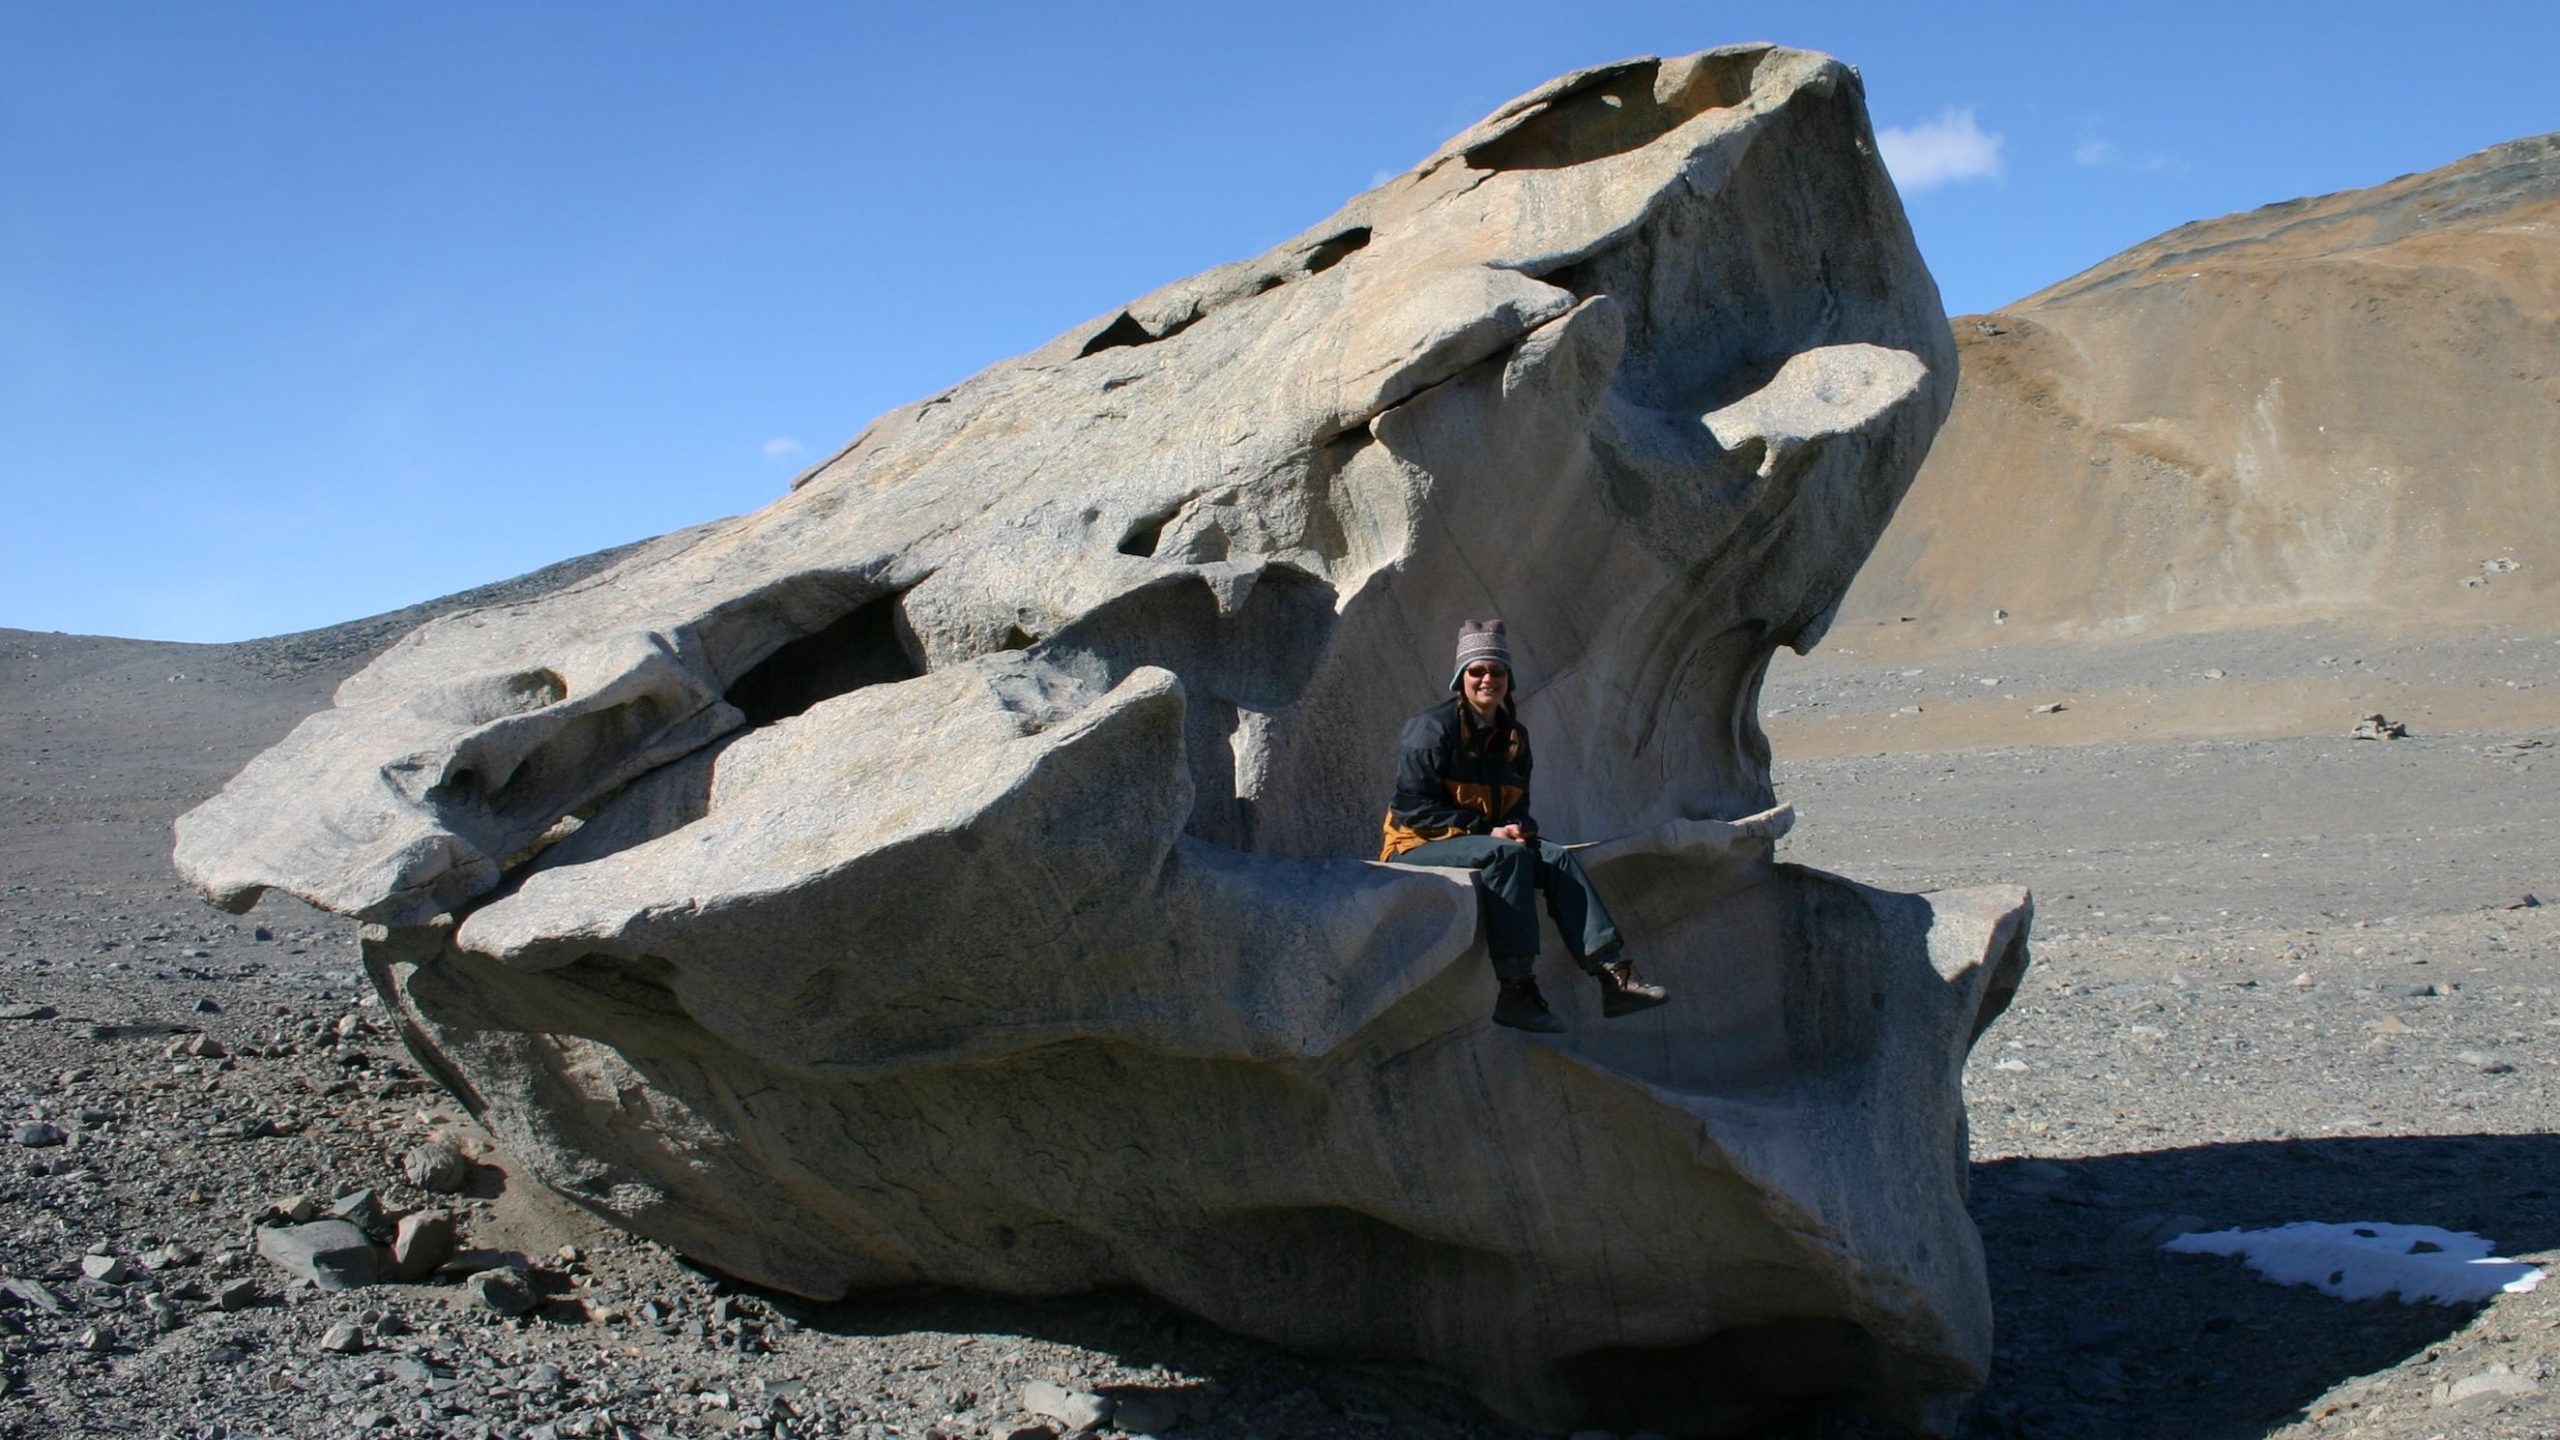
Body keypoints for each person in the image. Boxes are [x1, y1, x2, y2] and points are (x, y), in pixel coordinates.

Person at [1378, 619, 1668, 1032]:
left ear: (1508, 678)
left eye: (1496, 671)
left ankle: (1613, 975)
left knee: (1554, 858)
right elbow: (1413, 810)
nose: (1487, 680)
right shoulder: (1431, 730)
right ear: (1460, 677)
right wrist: (1485, 829)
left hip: (1481, 841)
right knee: (1506, 854)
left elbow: (1519, 806)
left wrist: (1515, 825)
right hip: (1415, 845)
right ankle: (1516, 990)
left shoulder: (1514, 736)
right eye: (1476, 671)